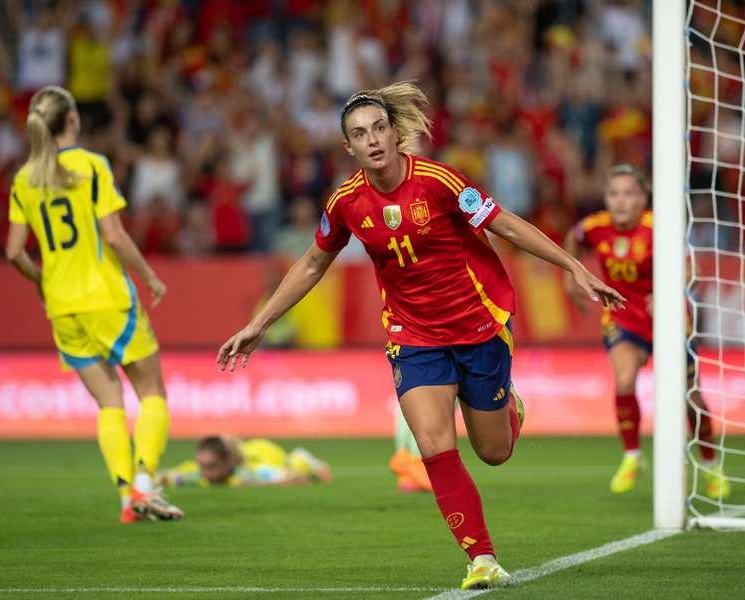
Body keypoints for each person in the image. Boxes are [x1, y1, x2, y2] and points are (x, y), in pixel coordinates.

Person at [217, 81, 624, 589]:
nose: (373, 140)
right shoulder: (345, 202)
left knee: (494, 452)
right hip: (412, 333)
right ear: (349, 148)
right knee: (433, 446)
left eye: (380, 128)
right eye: (360, 134)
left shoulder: (439, 180)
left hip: (478, 322)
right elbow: (313, 262)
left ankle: (508, 408)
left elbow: (506, 226)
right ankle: (481, 558)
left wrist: (572, 267)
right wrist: (258, 324)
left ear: (394, 132)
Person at [5, 86, 183, 524]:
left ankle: (127, 496)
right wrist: (150, 276)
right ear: (72, 120)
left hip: (63, 307)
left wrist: (42, 281)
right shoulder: (91, 166)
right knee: (152, 393)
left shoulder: (24, 179)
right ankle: (145, 482)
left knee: (109, 404)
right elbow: (115, 236)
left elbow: (13, 252)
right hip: (107, 298)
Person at [564, 163, 729, 499]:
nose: (620, 201)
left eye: (628, 194)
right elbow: (573, 238)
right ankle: (632, 456)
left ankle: (711, 465)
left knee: (690, 396)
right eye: (613, 194)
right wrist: (571, 280)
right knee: (624, 379)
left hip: (668, 320)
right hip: (624, 317)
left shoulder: (660, 226)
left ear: (644, 197)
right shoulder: (595, 227)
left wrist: (666, 293)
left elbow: (690, 267)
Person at [159, 436, 331, 487]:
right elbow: (166, 476)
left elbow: (298, 478)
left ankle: (305, 457)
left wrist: (255, 484)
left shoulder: (255, 470)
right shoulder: (196, 473)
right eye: (202, 466)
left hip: (272, 455)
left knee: (299, 463)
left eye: (212, 467)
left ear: (228, 462)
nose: (205, 473)